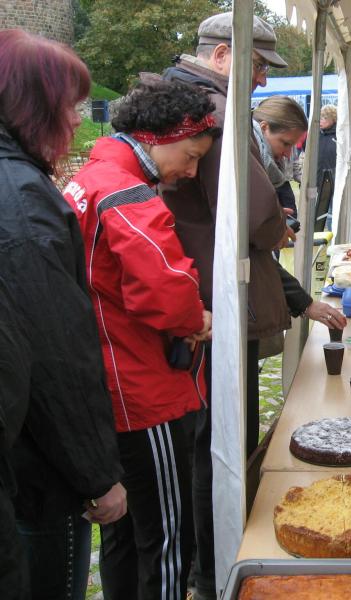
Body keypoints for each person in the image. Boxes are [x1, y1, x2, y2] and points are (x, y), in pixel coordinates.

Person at [160, 13, 345, 598]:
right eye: (259, 65)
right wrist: (277, 229)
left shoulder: (202, 104)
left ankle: (210, 559)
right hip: (213, 304)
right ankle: (213, 567)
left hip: (212, 296)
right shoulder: (213, 109)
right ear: (223, 56)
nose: (262, 80)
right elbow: (256, 213)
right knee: (215, 443)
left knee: (214, 438)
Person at [62, 78, 218, 600]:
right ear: (158, 138)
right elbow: (166, 288)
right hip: (142, 387)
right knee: (168, 534)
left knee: (124, 533)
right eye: (191, 156)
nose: (191, 171)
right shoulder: (126, 193)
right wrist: (196, 317)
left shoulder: (89, 178)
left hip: (106, 377)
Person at [0, 29, 125, 600]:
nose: (77, 119)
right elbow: (55, 354)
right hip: (35, 469)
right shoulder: (22, 201)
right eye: (69, 106)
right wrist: (97, 474)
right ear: (33, 105)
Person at [252, 95, 309, 218]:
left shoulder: (262, 163)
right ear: (264, 128)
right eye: (286, 144)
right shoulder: (248, 165)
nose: (288, 155)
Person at [316, 104, 338, 229]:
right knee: (319, 215)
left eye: (323, 118)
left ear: (332, 119)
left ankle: (334, 236)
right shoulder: (316, 136)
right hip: (319, 183)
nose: (320, 121)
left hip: (335, 183)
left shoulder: (340, 136)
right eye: (319, 118)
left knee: (333, 214)